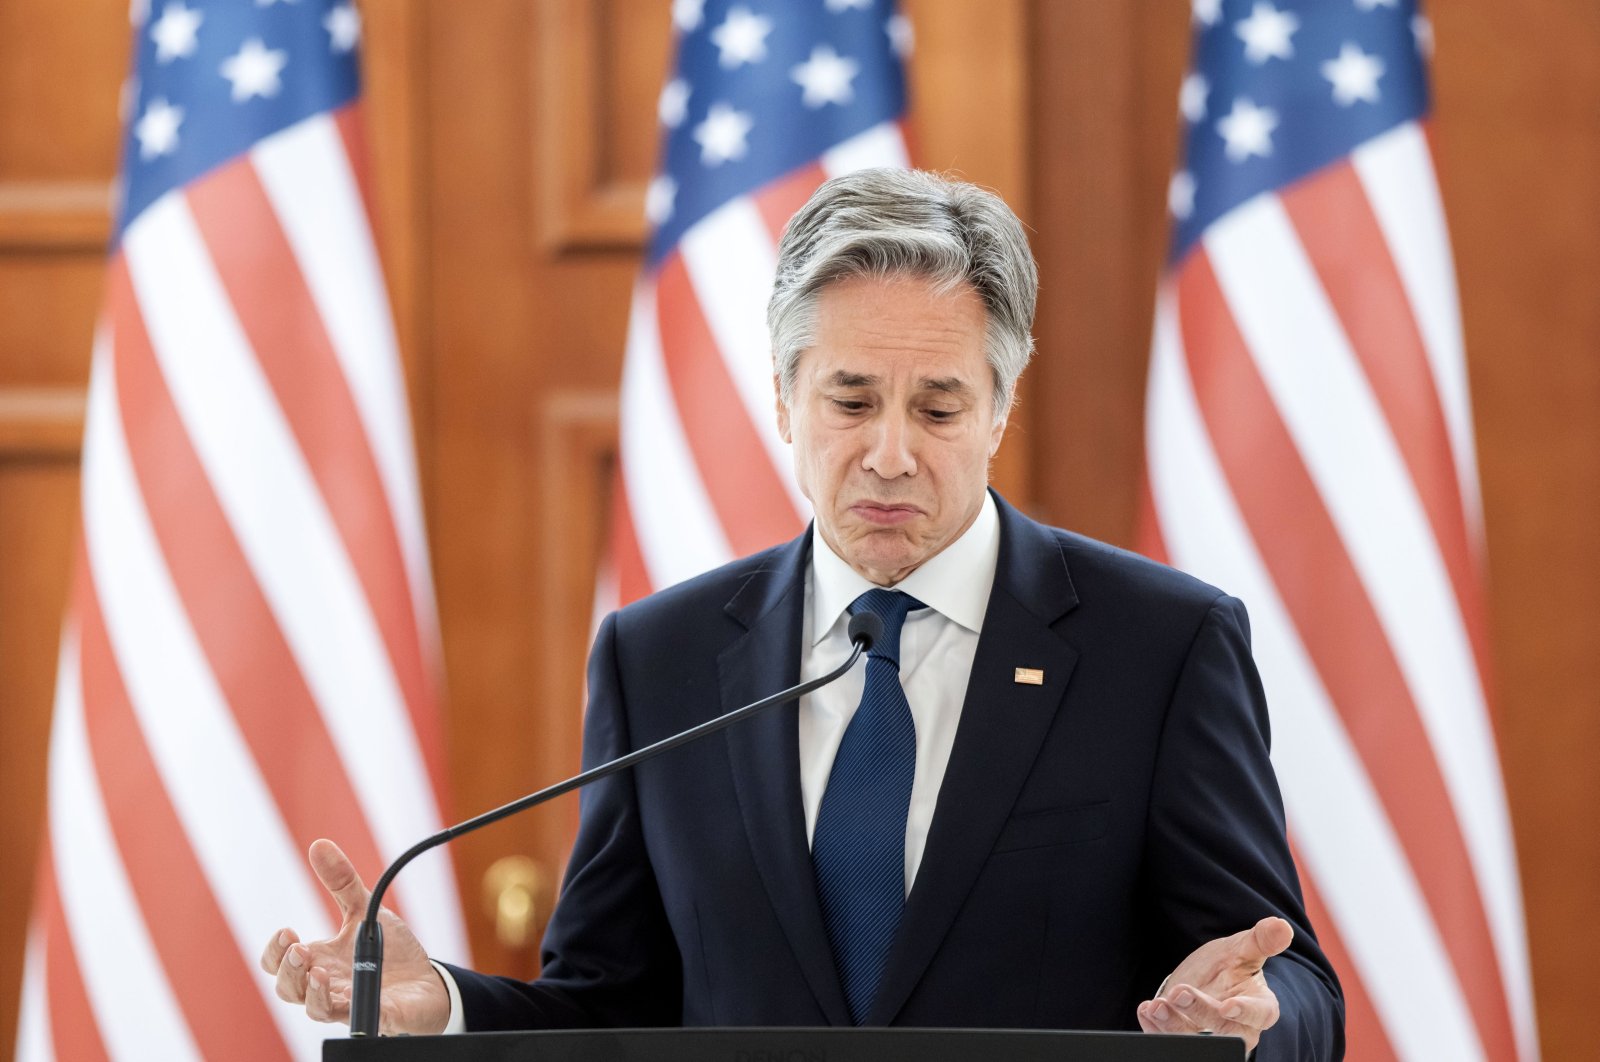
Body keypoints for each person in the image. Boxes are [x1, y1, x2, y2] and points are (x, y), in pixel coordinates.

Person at [261, 168, 1344, 1058]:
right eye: (851, 399)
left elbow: (1290, 982)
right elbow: (609, 1001)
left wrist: (1253, 1020)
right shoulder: (663, 657)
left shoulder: (1156, 645)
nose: (889, 454)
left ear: (1000, 408)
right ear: (783, 400)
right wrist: (441, 1005)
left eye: (938, 406)